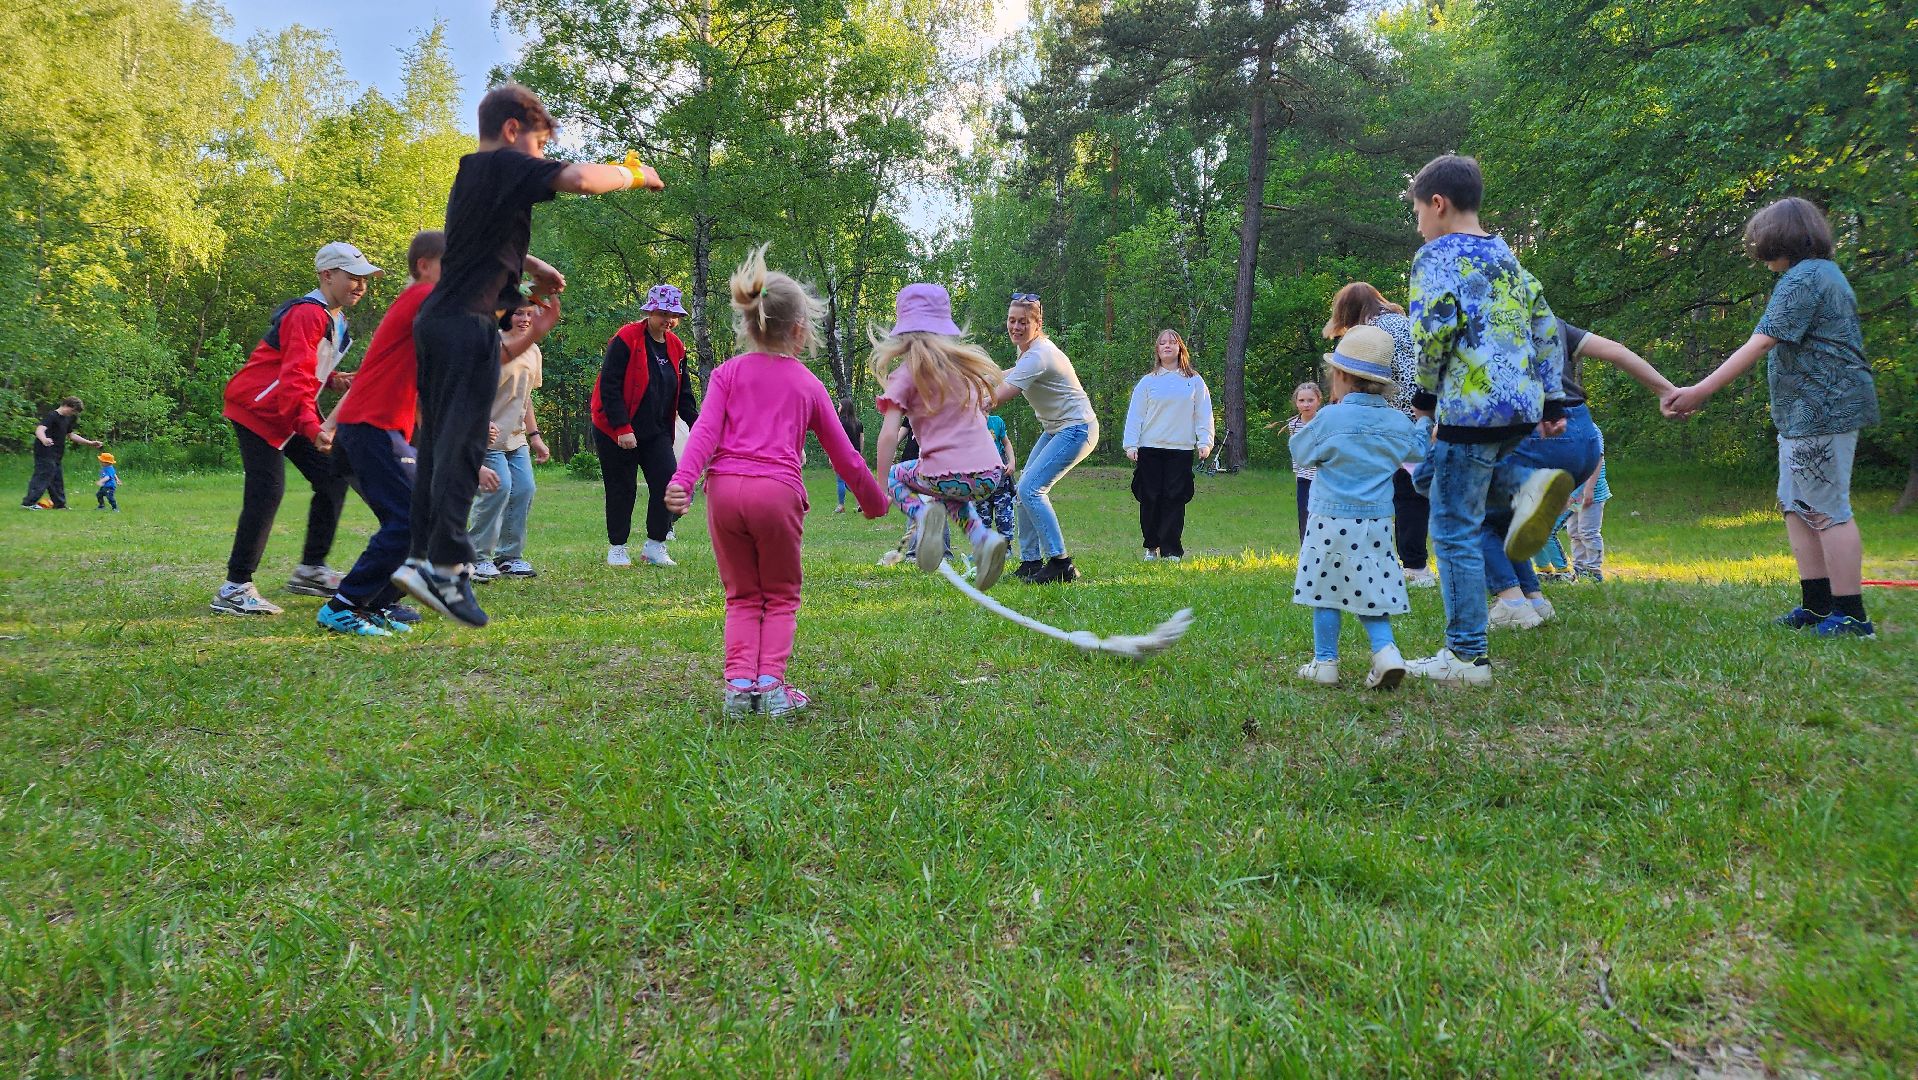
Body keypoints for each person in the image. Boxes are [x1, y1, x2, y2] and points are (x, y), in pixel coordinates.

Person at [394, 83, 663, 626]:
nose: (541, 158)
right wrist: (635, 174)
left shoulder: (474, 175)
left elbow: (478, 240)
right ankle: (443, 568)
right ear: (514, 130)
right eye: (540, 144)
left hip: (440, 322)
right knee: (463, 444)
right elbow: (583, 178)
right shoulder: (504, 165)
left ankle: (419, 557)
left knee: (443, 443)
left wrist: (531, 266)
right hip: (465, 323)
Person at [665, 247, 888, 717]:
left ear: (748, 324)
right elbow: (844, 453)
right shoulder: (808, 384)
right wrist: (873, 500)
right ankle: (770, 688)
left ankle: (738, 689)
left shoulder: (726, 374)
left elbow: (704, 432)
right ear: (800, 330)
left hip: (724, 493)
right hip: (776, 494)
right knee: (781, 594)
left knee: (742, 595)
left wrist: (683, 479)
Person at [317, 231, 552, 637]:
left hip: (383, 427)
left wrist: (532, 331)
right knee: (409, 519)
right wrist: (534, 271)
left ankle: (375, 603)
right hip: (370, 427)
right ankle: (344, 605)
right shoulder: (421, 298)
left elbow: (483, 357)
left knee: (418, 519)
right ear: (425, 266)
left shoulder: (434, 312)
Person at [1665, 196, 1880, 638]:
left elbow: (1761, 341)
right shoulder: (1821, 274)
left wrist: (1700, 391)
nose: (1755, 246)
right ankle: (1817, 606)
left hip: (1824, 409)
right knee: (1796, 507)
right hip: (1802, 415)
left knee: (1826, 508)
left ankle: (1852, 616)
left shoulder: (1805, 278)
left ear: (1779, 237)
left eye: (1759, 238)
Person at [1400, 154, 1573, 686]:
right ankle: (1524, 485)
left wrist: (1425, 394)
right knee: (1434, 477)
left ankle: (1466, 655)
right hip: (1518, 406)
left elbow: (1433, 330)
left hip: (1469, 407)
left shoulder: (1435, 257)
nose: (1418, 224)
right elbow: (1546, 327)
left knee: (1452, 526)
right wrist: (1551, 400)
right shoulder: (1507, 257)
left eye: (1416, 212)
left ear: (1438, 204)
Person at [211, 242, 377, 616]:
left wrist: (332, 380)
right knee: (267, 490)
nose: (360, 286)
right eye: (352, 277)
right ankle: (235, 587)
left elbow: (301, 365)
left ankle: (310, 570)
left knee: (332, 478)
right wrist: (312, 426)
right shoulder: (308, 313)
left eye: (364, 280)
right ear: (326, 275)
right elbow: (294, 377)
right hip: (259, 409)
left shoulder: (334, 318)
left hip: (286, 410)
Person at [1489, 322, 1678, 626]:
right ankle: (1534, 600)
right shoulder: (1546, 319)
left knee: (1470, 512)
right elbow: (1616, 351)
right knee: (1502, 520)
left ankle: (1511, 601)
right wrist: (1666, 391)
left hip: (1537, 430)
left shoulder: (1481, 320)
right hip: (1583, 437)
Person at [1291, 326, 1431, 690]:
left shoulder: (1329, 418)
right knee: (1372, 588)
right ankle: (1386, 653)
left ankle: (1325, 662)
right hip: (1376, 522)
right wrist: (1426, 419)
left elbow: (1302, 453)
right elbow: (1418, 451)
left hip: (1328, 520)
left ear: (1339, 377)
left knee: (1325, 590)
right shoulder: (1396, 422)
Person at [871, 283, 1014, 590]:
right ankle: (982, 539)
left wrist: (881, 485)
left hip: (941, 474)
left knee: (900, 475)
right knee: (951, 493)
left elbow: (887, 436)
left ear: (903, 334)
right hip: (990, 474)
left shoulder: (906, 375)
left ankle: (923, 518)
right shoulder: (965, 368)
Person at [1324, 282, 1433, 587]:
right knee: (1416, 492)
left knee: (1399, 494)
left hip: (1395, 418)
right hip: (1429, 411)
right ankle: (1413, 562)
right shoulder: (1405, 321)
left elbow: (1367, 381)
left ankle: (1413, 566)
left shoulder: (1370, 333)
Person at [992, 293, 1096, 584]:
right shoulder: (1027, 351)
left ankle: (1061, 563)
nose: (1015, 326)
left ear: (1037, 324)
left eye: (1023, 322)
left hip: (1077, 428)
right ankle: (1031, 562)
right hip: (1056, 429)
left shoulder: (1039, 354)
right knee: (1024, 492)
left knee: (1031, 489)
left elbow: (996, 399)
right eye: (1012, 320)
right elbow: (1008, 374)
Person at [592, 284, 698, 568]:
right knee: (622, 488)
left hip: (656, 430)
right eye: (663, 313)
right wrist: (622, 427)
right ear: (650, 311)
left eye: (674, 315)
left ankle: (655, 545)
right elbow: (609, 385)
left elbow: (684, 394)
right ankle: (617, 547)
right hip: (615, 429)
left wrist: (699, 427)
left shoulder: (676, 346)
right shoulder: (627, 338)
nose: (668, 320)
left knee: (668, 482)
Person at [470, 301, 552, 581]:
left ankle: (508, 557)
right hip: (485, 436)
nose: (525, 319)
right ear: (504, 314)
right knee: (499, 488)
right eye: (519, 313)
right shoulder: (489, 346)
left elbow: (525, 398)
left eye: (531, 314)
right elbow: (468, 393)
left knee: (524, 489)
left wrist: (535, 436)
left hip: (515, 437)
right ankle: (476, 557)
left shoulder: (533, 350)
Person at [1124, 329, 1214, 561]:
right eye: (1162, 343)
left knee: (1174, 497)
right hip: (1150, 448)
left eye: (1172, 343)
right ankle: (1151, 546)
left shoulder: (1194, 381)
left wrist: (1205, 441)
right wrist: (1131, 444)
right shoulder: (1148, 382)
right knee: (1150, 497)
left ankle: (1171, 550)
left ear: (1180, 348)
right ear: (1157, 350)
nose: (1167, 346)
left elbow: (1203, 413)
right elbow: (1135, 415)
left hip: (1181, 449)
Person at [21, 397, 102, 509]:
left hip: (57, 454)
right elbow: (39, 429)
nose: (72, 414)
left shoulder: (66, 419)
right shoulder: (52, 416)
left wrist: (90, 443)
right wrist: (44, 439)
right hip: (44, 452)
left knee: (56, 478)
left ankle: (59, 505)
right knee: (42, 475)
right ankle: (28, 503)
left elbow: (71, 435)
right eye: (73, 411)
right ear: (67, 405)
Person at [1286, 383, 1322, 539]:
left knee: (1322, 518)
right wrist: (1297, 474)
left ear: (1318, 400)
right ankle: (1306, 551)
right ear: (1296, 402)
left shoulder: (1324, 421)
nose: (1306, 405)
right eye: (1301, 401)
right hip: (1304, 479)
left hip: (1323, 478)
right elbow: (1295, 453)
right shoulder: (1293, 425)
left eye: (1310, 400)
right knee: (1305, 516)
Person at [835, 401, 864, 513]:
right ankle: (860, 502)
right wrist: (859, 452)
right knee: (852, 481)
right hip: (855, 454)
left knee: (841, 480)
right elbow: (861, 440)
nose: (838, 407)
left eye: (839, 405)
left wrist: (832, 455)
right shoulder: (858, 423)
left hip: (842, 454)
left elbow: (836, 439)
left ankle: (841, 505)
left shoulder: (839, 422)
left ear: (844, 408)